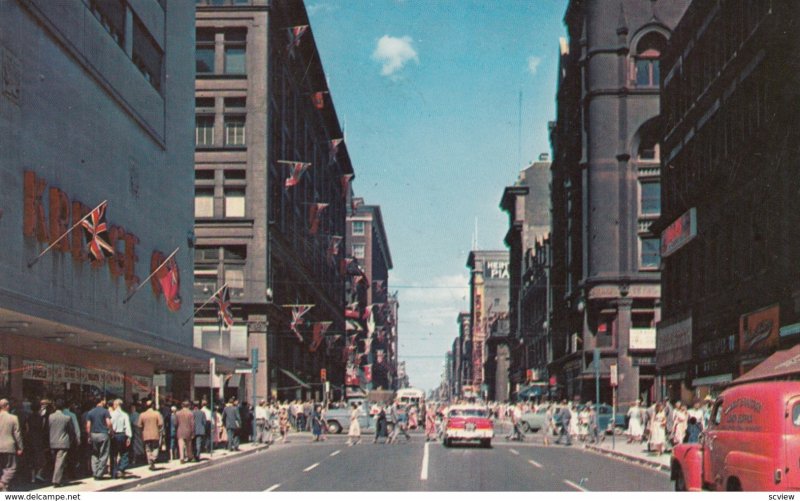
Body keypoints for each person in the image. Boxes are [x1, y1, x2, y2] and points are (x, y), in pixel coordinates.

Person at [48, 399, 75, 487]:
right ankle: (56, 480)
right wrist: (71, 440)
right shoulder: (67, 418)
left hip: (52, 442)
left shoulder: (50, 417)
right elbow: (71, 431)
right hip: (63, 442)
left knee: (56, 461)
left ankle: (57, 478)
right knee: (60, 462)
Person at [85, 397, 111, 480]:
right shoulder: (105, 411)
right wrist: (111, 430)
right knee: (103, 454)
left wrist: (89, 436)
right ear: (102, 401)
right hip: (103, 434)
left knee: (94, 454)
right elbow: (109, 423)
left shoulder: (90, 412)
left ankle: (94, 471)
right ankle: (99, 474)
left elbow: (88, 426)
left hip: (93, 435)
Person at [0, 399, 23, 491]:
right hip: (9, 446)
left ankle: (4, 487)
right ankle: (3, 483)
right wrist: (20, 447)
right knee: (11, 467)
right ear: (7, 406)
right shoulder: (13, 418)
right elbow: (17, 434)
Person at [136, 400, 164, 471]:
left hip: (146, 435)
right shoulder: (157, 414)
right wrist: (160, 431)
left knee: (148, 449)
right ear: (152, 406)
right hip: (155, 434)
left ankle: (151, 463)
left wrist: (141, 432)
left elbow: (139, 425)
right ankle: (153, 458)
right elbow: (160, 424)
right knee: (155, 447)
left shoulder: (142, 414)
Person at [109, 399, 132, 479]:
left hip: (114, 435)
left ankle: (113, 473)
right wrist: (129, 437)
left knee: (113, 454)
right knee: (124, 453)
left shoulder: (111, 414)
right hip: (122, 435)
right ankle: (121, 469)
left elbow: (109, 425)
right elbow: (127, 426)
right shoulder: (125, 415)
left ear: (116, 405)